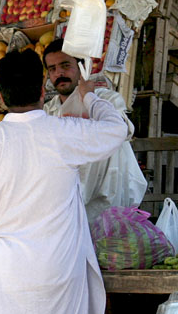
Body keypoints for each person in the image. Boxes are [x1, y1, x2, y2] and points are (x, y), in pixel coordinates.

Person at [0, 49, 129, 314]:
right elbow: (117, 130)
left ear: (1, 97)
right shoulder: (63, 133)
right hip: (56, 271)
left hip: (4, 271)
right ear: (43, 88)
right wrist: (90, 98)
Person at [43, 38, 147, 223]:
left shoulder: (106, 99)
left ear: (82, 68)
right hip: (72, 204)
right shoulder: (48, 111)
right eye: (52, 69)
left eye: (65, 65)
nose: (59, 73)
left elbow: (122, 130)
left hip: (110, 200)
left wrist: (88, 97)